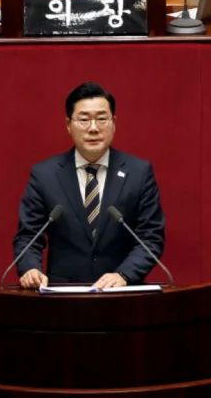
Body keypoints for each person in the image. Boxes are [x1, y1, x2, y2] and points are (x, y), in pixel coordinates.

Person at [13, 82, 165, 290]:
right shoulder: (44, 175)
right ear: (68, 124)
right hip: (62, 298)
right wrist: (31, 269)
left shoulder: (138, 173)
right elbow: (28, 236)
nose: (93, 128)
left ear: (113, 123)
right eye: (84, 120)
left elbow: (151, 236)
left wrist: (124, 274)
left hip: (122, 295)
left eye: (102, 119)